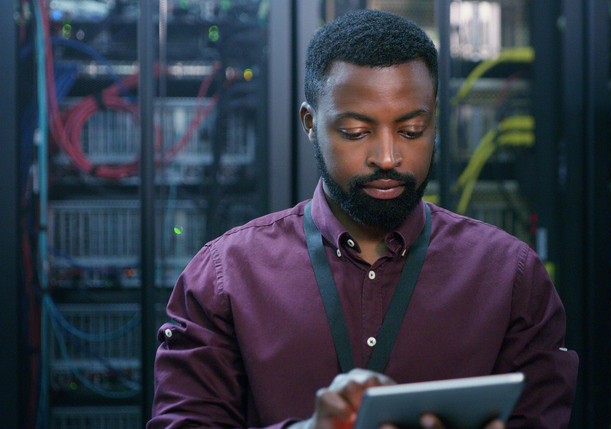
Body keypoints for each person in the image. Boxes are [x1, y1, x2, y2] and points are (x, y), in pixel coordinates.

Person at [149, 9, 578, 429]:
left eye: (411, 131)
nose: (388, 157)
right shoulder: (225, 276)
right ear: (310, 124)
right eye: (356, 132)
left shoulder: (511, 277)